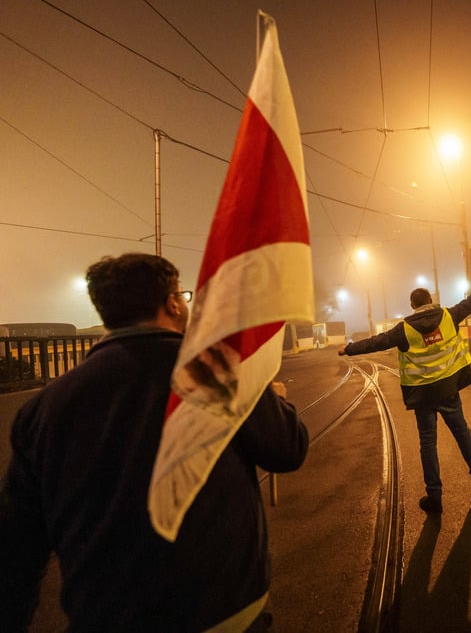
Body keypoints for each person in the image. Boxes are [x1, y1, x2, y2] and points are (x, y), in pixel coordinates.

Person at [0, 253, 309, 632]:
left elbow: (17, 548)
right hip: (224, 613)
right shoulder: (218, 371)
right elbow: (288, 449)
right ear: (173, 303)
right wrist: (271, 397)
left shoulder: (43, 407)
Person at [338, 270, 471, 514]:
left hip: (423, 396)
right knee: (462, 432)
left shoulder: (404, 329)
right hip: (447, 390)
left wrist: (348, 349)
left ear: (412, 305)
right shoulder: (448, 316)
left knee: (428, 443)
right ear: (430, 300)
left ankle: (435, 497)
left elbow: (376, 342)